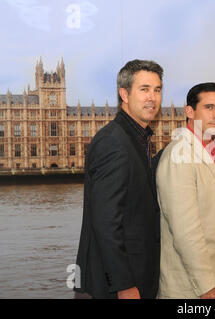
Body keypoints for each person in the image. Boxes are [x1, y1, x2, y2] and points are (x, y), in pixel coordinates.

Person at [74, 60, 163, 299]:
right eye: (144, 89)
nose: (152, 98)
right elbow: (105, 222)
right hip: (116, 287)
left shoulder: (139, 139)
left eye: (157, 90)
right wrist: (123, 285)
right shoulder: (114, 142)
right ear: (124, 94)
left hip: (137, 277)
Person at [156, 82, 215, 299]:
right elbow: (185, 230)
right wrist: (206, 287)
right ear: (190, 112)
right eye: (209, 107)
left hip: (212, 279)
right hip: (191, 287)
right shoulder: (179, 155)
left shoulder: (210, 151)